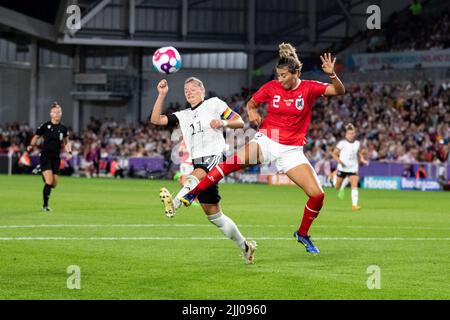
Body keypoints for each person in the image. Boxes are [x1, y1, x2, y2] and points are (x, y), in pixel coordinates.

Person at [180, 43, 346, 255]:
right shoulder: (271, 87)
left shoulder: (309, 88)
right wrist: (252, 113)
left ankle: (302, 234)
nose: (280, 79)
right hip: (268, 139)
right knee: (230, 163)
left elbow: (339, 91)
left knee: (317, 196)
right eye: (278, 75)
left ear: (295, 74)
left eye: (284, 75)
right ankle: (194, 193)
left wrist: (332, 75)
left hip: (291, 150)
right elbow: (251, 103)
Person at [150, 77, 257, 264]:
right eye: (185, 90)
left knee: (193, 178)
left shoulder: (214, 104)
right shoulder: (183, 115)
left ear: (202, 90)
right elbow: (156, 120)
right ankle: (246, 247)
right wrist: (161, 95)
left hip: (216, 156)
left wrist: (222, 123)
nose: (189, 91)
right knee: (215, 217)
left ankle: (174, 204)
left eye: (192, 88)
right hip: (198, 164)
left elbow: (239, 121)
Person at [27, 102, 72, 211]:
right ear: (50, 114)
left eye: (59, 112)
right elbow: (36, 136)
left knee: (54, 184)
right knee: (49, 181)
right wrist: (31, 145)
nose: (57, 114)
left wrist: (68, 152)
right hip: (45, 156)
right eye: (55, 112)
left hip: (56, 158)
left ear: (61, 113)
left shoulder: (63, 128)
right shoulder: (45, 126)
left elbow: (66, 142)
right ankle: (45, 206)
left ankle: (41, 170)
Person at [331, 123, 368, 211]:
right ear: (346, 134)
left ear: (354, 134)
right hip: (342, 168)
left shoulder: (357, 144)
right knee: (337, 187)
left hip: (353, 167)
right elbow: (334, 153)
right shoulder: (342, 143)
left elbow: (359, 153)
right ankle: (333, 177)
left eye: (352, 134)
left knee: (354, 185)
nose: (351, 135)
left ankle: (354, 205)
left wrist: (362, 159)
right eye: (349, 134)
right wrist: (339, 160)